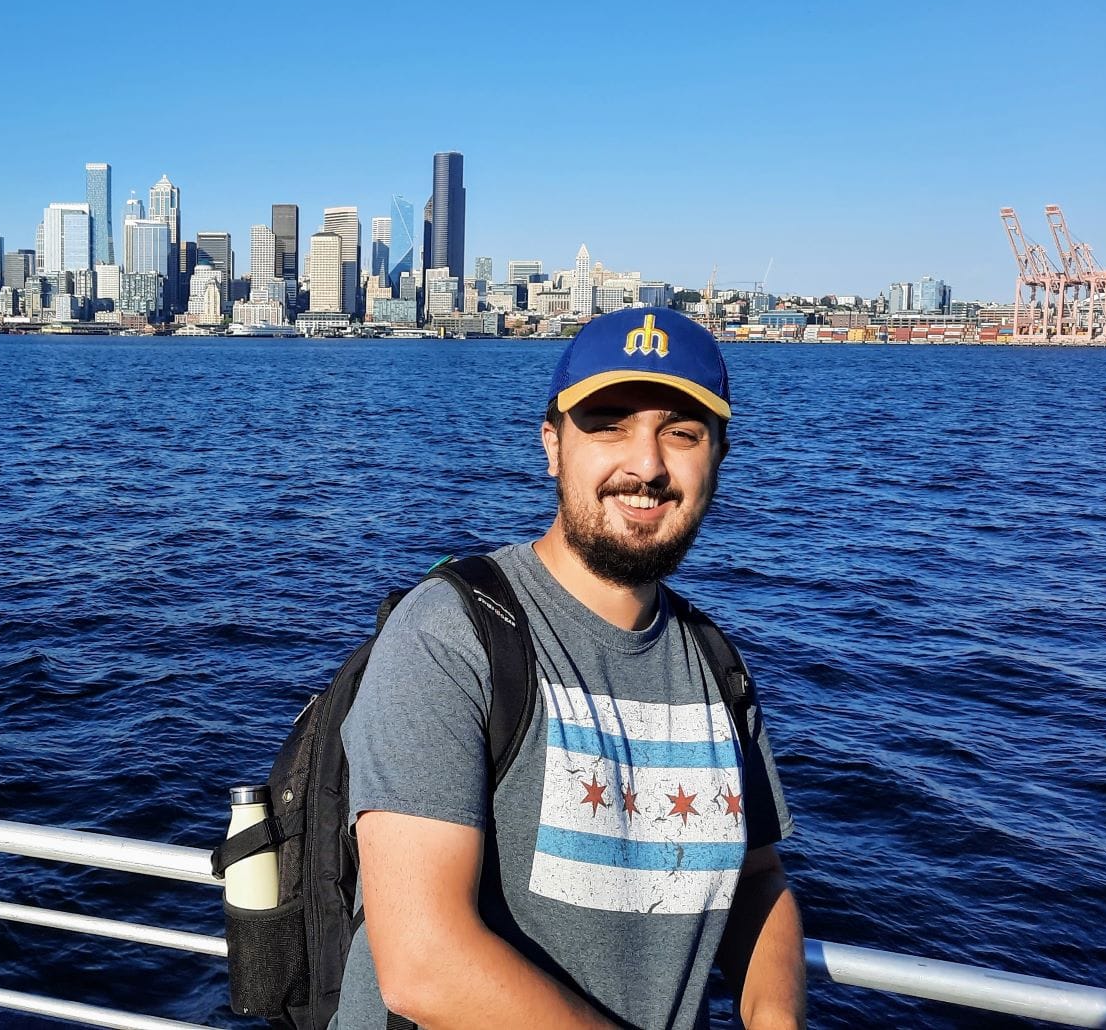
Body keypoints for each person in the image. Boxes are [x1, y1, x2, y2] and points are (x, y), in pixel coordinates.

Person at [335, 307, 805, 1030]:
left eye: (681, 432)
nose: (646, 466)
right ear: (552, 445)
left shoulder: (718, 666)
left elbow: (758, 880)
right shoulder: (451, 633)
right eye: (609, 424)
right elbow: (423, 963)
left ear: (719, 454)